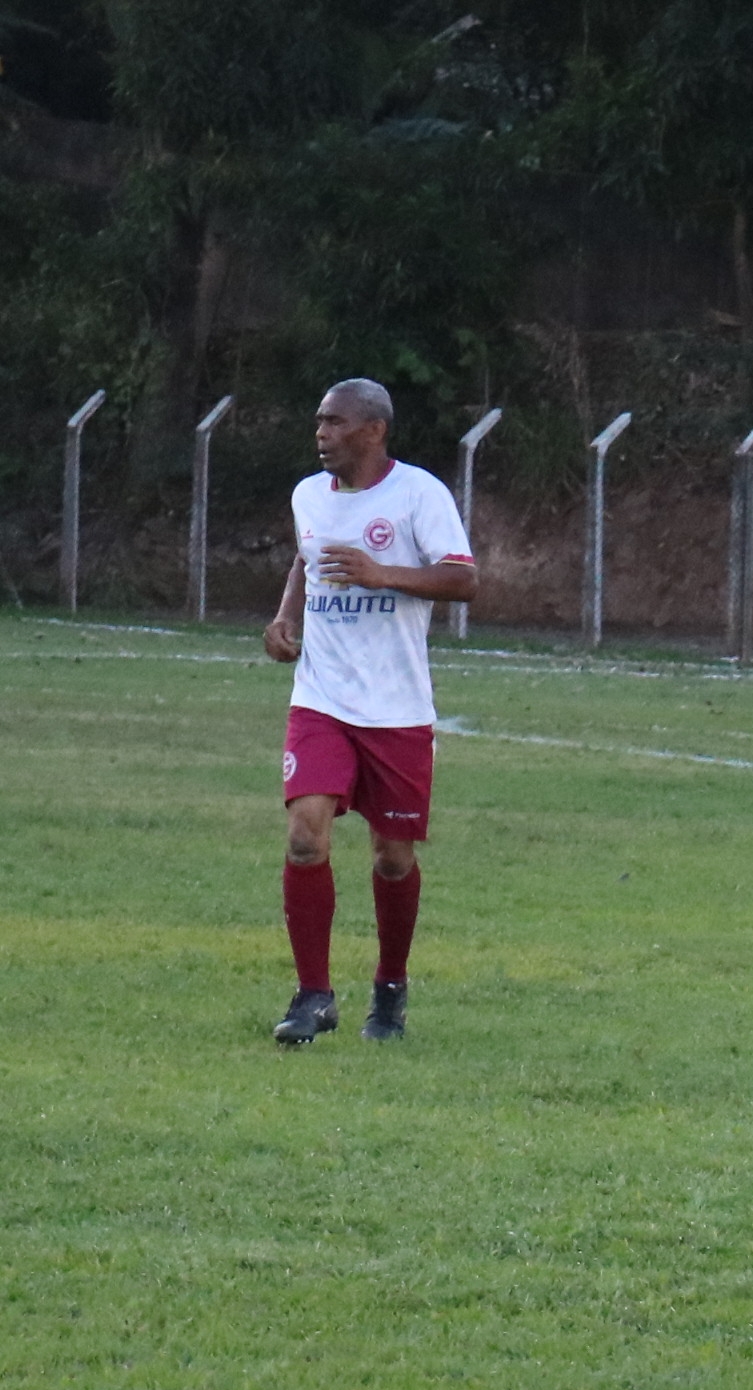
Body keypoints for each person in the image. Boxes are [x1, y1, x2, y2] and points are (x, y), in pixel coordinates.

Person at [262, 378, 473, 1043]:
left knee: (392, 857)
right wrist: (285, 617)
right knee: (305, 835)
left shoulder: (418, 494)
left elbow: (463, 578)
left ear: (374, 430)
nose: (321, 433)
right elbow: (305, 559)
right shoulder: (308, 495)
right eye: (319, 422)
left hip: (397, 709)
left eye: (334, 422)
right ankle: (313, 995)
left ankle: (390, 988)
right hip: (321, 699)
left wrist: (382, 573)